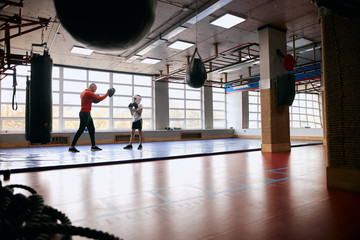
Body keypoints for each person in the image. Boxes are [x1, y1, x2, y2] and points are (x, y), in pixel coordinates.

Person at [69, 83, 110, 152]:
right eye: (95, 89)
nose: (95, 90)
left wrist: (94, 99)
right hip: (85, 114)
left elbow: (89, 100)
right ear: (92, 87)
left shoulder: (83, 93)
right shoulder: (88, 93)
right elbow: (100, 98)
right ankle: (72, 146)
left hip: (87, 114)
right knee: (81, 130)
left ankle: (93, 146)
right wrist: (107, 93)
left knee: (92, 129)